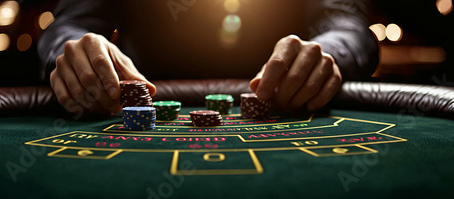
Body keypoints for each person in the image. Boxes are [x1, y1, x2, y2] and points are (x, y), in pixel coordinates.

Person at [38, 0, 378, 116]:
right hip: (140, 109)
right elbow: (69, 24)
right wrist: (75, 50)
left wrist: (327, 53)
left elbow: (348, 24)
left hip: (280, 108)